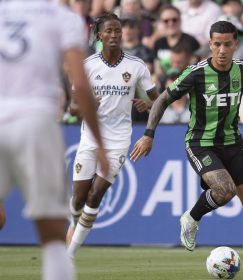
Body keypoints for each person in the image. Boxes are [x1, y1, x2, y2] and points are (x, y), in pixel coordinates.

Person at [130, 21, 243, 279]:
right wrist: (148, 135)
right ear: (210, 45)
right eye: (217, 44)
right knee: (225, 191)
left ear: (235, 44)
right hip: (200, 142)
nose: (223, 50)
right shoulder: (196, 73)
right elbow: (162, 99)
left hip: (233, 143)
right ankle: (191, 218)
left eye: (228, 44)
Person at [0, 2, 109, 280]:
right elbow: (81, 87)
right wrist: (99, 142)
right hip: (35, 121)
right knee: (53, 239)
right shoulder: (61, 16)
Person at [66, 13, 159, 259]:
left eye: (117, 30)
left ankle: (69, 255)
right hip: (90, 138)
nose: (114, 35)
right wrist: (86, 105)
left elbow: (158, 100)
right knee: (78, 198)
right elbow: (73, 108)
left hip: (118, 140)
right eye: (109, 31)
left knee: (96, 195)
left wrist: (147, 105)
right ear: (99, 35)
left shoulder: (136, 65)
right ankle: (74, 222)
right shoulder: (87, 66)